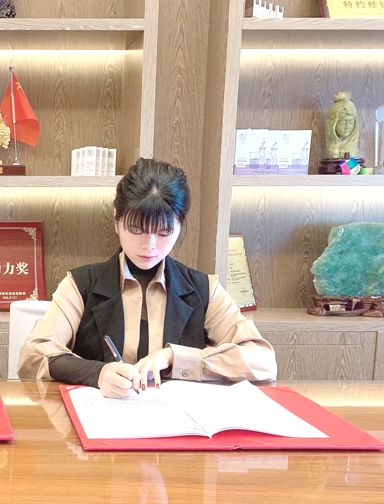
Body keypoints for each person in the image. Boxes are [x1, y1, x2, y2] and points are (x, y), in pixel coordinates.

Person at [17, 157, 276, 398]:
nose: (149, 245)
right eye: (136, 229)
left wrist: (174, 358)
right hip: (101, 420)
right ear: (116, 220)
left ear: (180, 226)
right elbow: (33, 355)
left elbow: (263, 361)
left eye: (163, 232)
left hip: (178, 423)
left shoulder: (203, 289)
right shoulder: (81, 285)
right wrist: (98, 373)